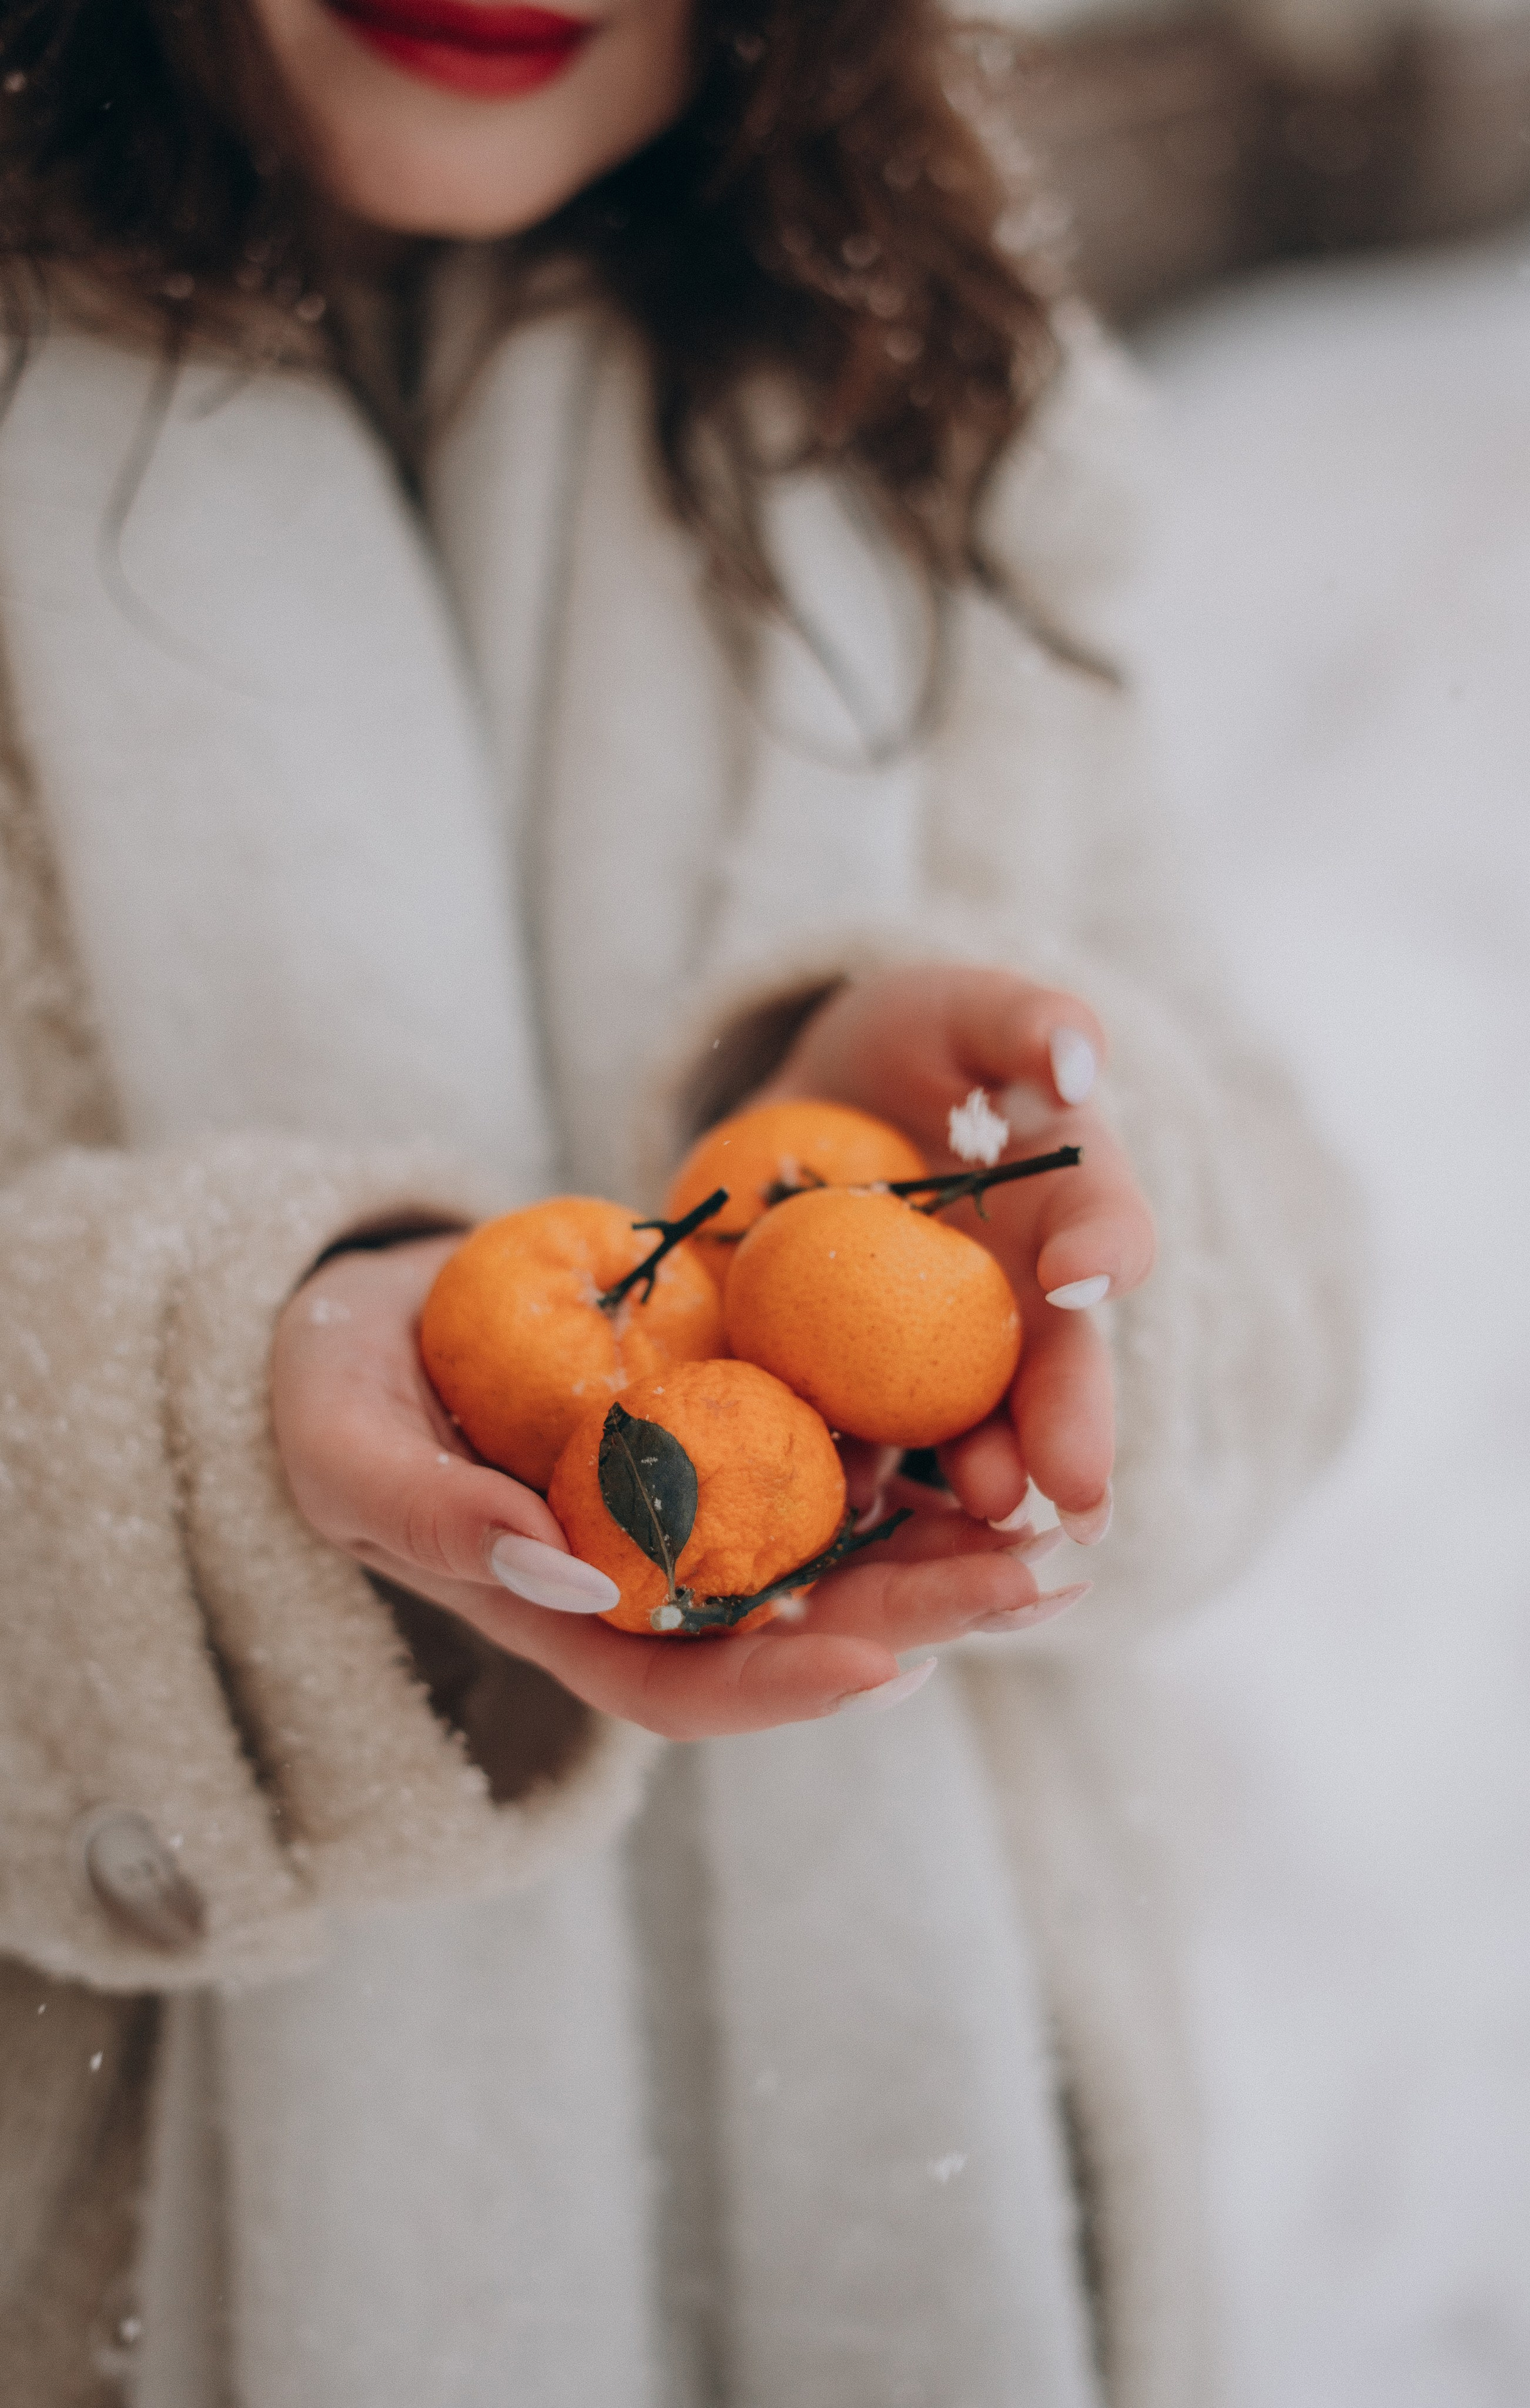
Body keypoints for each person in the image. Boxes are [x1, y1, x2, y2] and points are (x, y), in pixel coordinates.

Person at [0, 4, 1359, 2404]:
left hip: (939, 2181)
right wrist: (202, 1433)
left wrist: (1062, 1240)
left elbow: (1297, 1260)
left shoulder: (918, 378)